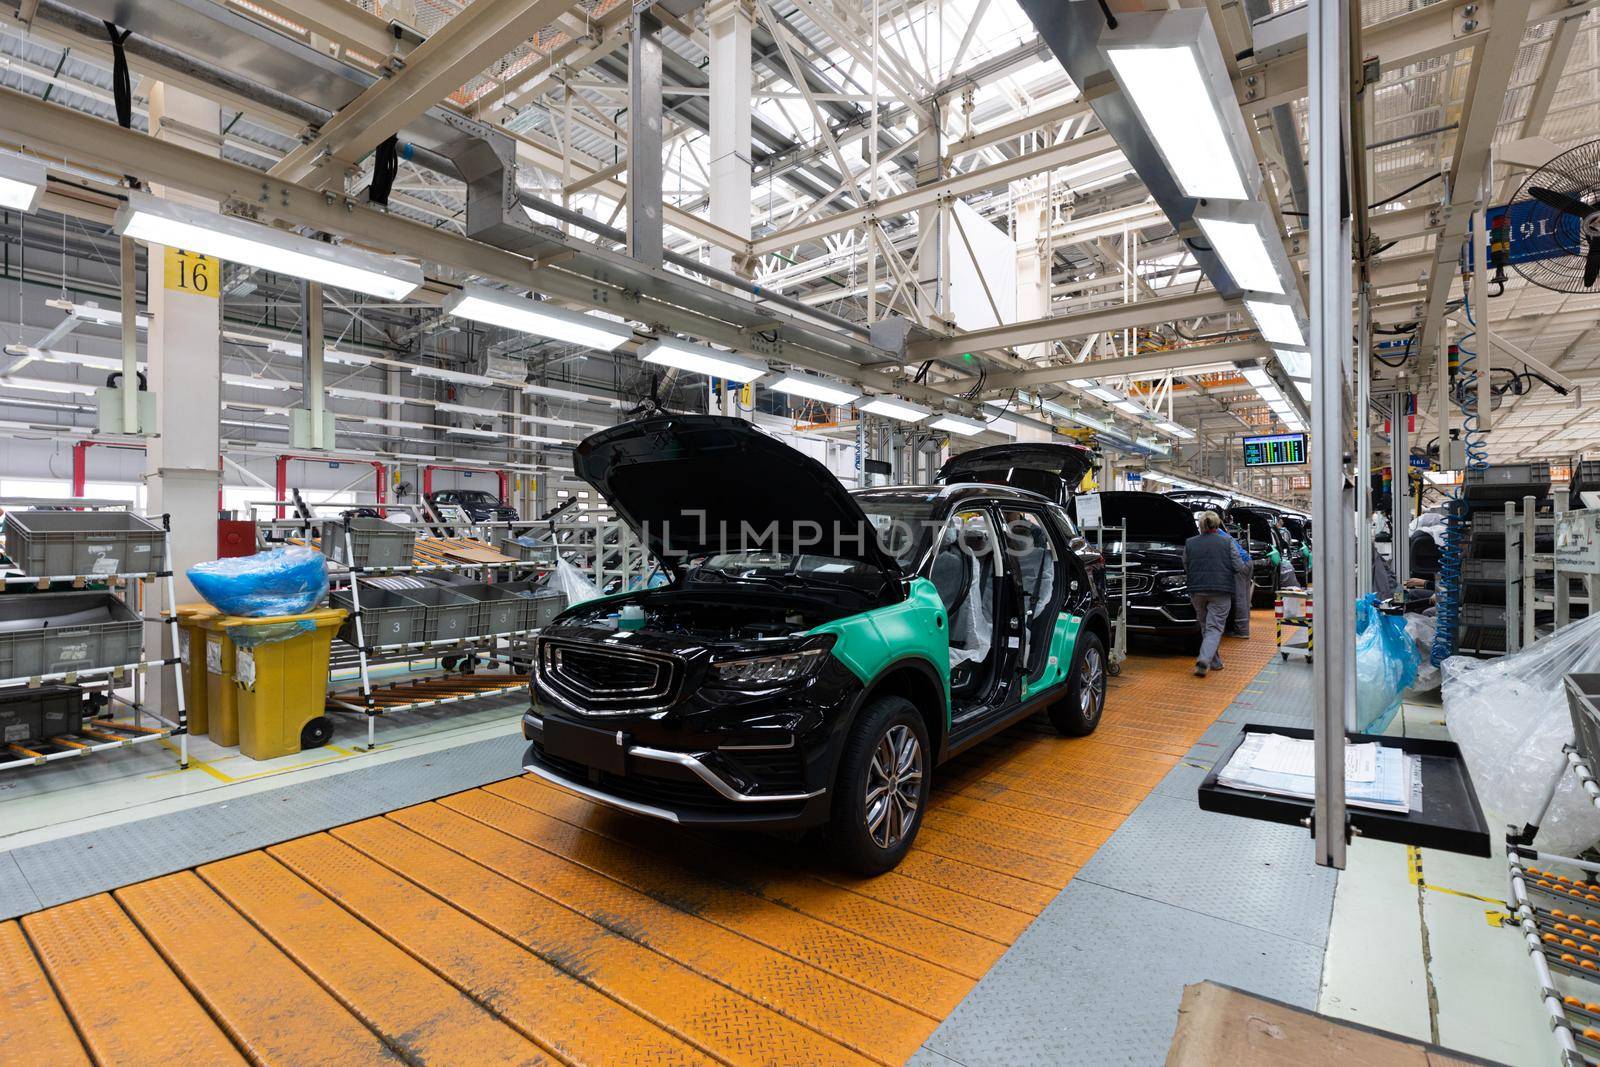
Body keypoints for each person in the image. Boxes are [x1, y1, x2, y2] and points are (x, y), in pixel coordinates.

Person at [1184, 511, 1252, 677]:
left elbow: (1186, 565)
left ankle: (1215, 662)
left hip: (1197, 591)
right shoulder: (1227, 541)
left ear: (1201, 525)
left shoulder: (1190, 542)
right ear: (1217, 525)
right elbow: (1238, 566)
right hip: (1220, 592)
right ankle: (1204, 660)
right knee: (1214, 628)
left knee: (1206, 626)